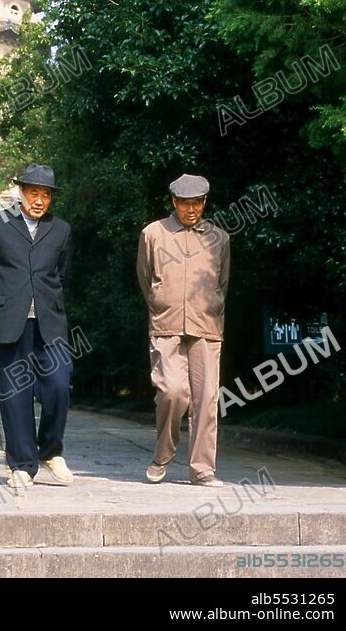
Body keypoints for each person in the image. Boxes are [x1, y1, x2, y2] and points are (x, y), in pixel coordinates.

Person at [0, 163, 74, 492]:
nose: (39, 200)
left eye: (45, 195)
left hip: (50, 322)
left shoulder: (61, 230)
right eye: (33, 193)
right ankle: (21, 464)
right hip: (9, 321)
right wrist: (5, 303)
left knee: (59, 385)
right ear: (21, 192)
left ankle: (50, 451)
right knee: (15, 394)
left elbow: (62, 274)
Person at [136, 173, 230, 487]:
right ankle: (162, 455)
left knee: (206, 398)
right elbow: (145, 277)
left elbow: (223, 282)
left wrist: (214, 305)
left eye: (197, 203)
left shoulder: (219, 237)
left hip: (206, 324)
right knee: (172, 392)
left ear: (204, 203)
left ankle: (202, 469)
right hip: (166, 323)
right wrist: (161, 301)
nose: (191, 210)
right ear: (173, 202)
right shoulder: (153, 233)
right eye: (184, 203)